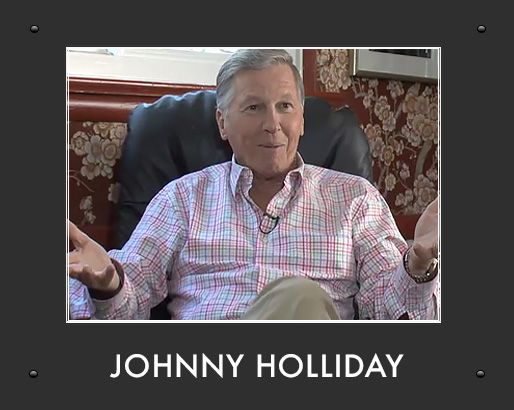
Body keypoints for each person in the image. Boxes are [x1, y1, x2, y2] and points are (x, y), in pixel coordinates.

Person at [68, 49, 439, 320]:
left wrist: (417, 265)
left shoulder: (356, 199)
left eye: (285, 106)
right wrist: (107, 283)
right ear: (222, 123)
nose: (272, 125)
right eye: (254, 107)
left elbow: (390, 313)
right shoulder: (182, 198)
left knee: (302, 299)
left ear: (302, 120)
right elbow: (127, 302)